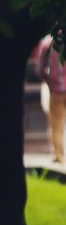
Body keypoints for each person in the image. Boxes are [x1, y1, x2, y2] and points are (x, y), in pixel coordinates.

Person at [36, 34, 66, 165]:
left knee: (56, 125)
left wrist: (48, 81)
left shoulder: (47, 43)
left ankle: (59, 156)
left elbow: (40, 68)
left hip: (56, 90)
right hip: (57, 89)